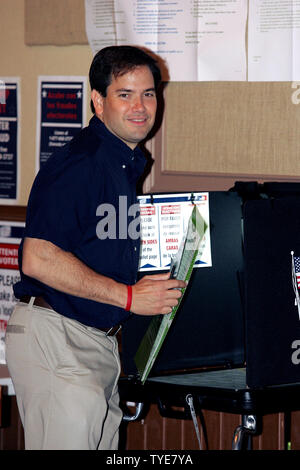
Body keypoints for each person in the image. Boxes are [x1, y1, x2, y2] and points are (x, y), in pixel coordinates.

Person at [5, 45, 186, 450]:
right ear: (98, 101)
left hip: (96, 342)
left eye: (149, 93)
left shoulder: (124, 164)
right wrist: (127, 296)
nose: (141, 106)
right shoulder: (81, 164)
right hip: (58, 338)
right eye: (125, 94)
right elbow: (38, 258)